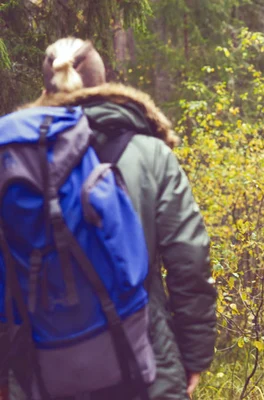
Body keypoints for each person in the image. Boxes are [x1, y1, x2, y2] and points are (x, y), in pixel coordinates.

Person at [0, 38, 216, 400]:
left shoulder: (13, 162)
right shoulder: (150, 154)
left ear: (45, 90)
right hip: (144, 361)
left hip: (41, 368)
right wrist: (194, 355)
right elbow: (189, 261)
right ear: (107, 84)